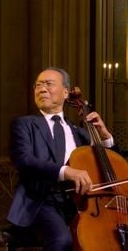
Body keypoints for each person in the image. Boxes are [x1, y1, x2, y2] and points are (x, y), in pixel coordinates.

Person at [7, 67, 116, 251]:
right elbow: (24, 160)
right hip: (41, 200)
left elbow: (112, 163)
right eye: (38, 85)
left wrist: (105, 136)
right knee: (62, 241)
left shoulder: (80, 134)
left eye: (49, 84)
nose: (42, 89)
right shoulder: (24, 125)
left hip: (78, 202)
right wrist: (65, 171)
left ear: (66, 92)